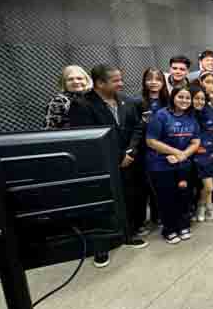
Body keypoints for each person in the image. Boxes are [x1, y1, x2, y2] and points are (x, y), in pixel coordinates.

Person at [69, 65, 148, 268]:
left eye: (120, 79)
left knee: (128, 198)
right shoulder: (82, 105)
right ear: (100, 83)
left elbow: (137, 126)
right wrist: (118, 156)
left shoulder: (127, 101)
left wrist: (130, 152)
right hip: (103, 165)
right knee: (104, 205)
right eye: (115, 80)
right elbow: (86, 139)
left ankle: (127, 234)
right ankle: (101, 246)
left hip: (129, 161)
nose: (121, 83)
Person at [146, 86, 201, 244]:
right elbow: (151, 141)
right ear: (173, 97)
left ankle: (184, 225)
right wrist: (176, 152)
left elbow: (196, 141)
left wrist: (183, 155)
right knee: (167, 198)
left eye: (187, 98)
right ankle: (169, 229)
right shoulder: (161, 115)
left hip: (183, 164)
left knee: (184, 197)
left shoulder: (191, 116)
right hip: (161, 165)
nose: (184, 101)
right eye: (180, 97)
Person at [137, 67, 170, 233]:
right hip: (146, 150)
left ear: (163, 82)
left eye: (158, 79)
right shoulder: (138, 102)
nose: (154, 82)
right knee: (146, 186)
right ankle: (142, 221)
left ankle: (160, 217)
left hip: (166, 149)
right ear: (144, 81)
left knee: (163, 186)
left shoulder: (168, 102)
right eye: (150, 79)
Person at [190, 84, 213, 223]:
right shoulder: (201, 109)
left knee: (210, 184)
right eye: (212, 93)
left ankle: (206, 210)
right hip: (201, 152)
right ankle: (202, 208)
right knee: (208, 186)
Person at [45, 65, 92, 129]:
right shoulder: (58, 101)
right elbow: (51, 129)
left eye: (79, 78)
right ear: (64, 83)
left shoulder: (95, 97)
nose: (76, 82)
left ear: (87, 80)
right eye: (70, 79)